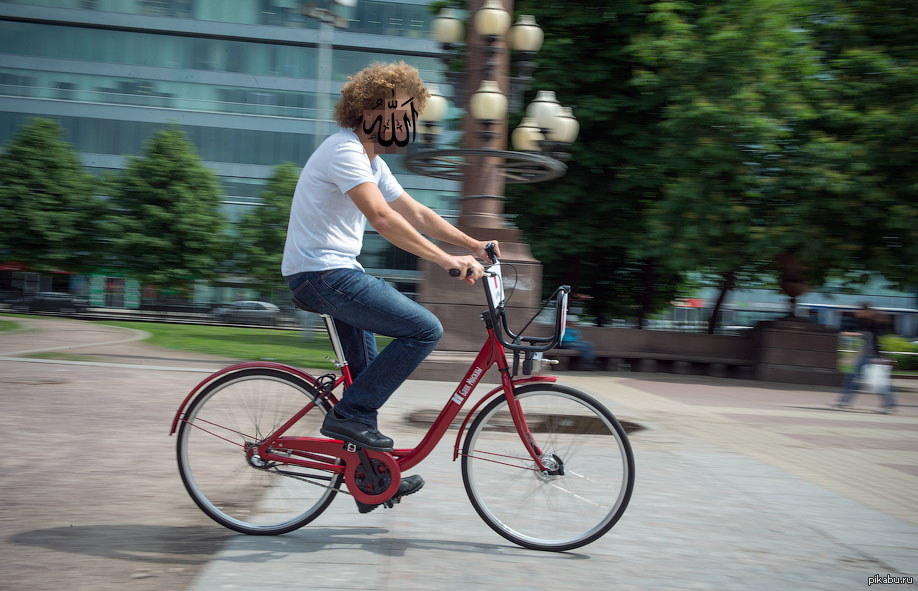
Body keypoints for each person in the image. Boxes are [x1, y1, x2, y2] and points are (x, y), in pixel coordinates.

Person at [282, 62, 500, 512]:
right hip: (321, 275)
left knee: (366, 381)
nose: (404, 124)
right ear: (369, 111)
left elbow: (416, 212)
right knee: (424, 329)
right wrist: (445, 260)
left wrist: (473, 244)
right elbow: (382, 218)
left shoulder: (370, 160)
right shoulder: (344, 151)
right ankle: (348, 417)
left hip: (336, 274)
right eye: (397, 113)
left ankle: (370, 475)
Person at [833, 304, 897, 413]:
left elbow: (876, 343)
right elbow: (864, 340)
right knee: (851, 378)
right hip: (864, 357)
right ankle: (844, 401)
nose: (857, 312)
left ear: (867, 311)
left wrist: (879, 357)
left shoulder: (876, 324)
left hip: (873, 357)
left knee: (880, 382)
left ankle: (889, 406)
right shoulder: (864, 323)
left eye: (860, 310)